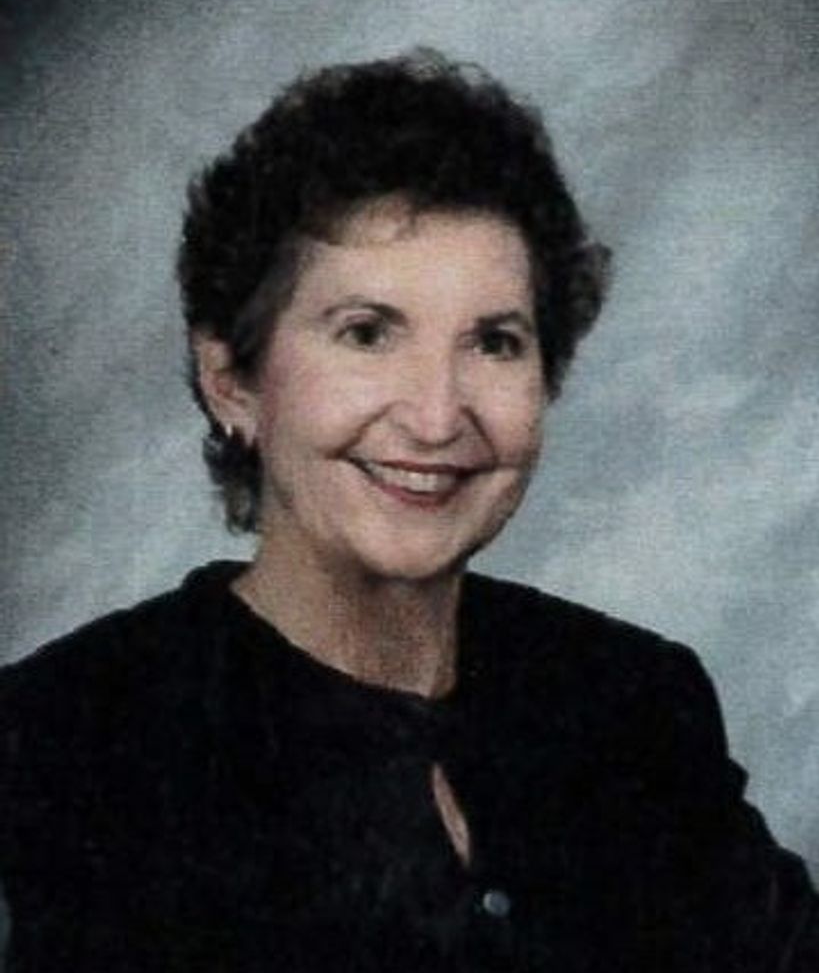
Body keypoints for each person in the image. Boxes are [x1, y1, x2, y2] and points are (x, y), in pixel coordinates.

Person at [1, 49, 816, 972]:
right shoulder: (68, 742)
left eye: (494, 342)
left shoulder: (632, 704)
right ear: (232, 379)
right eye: (366, 333)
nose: (435, 417)